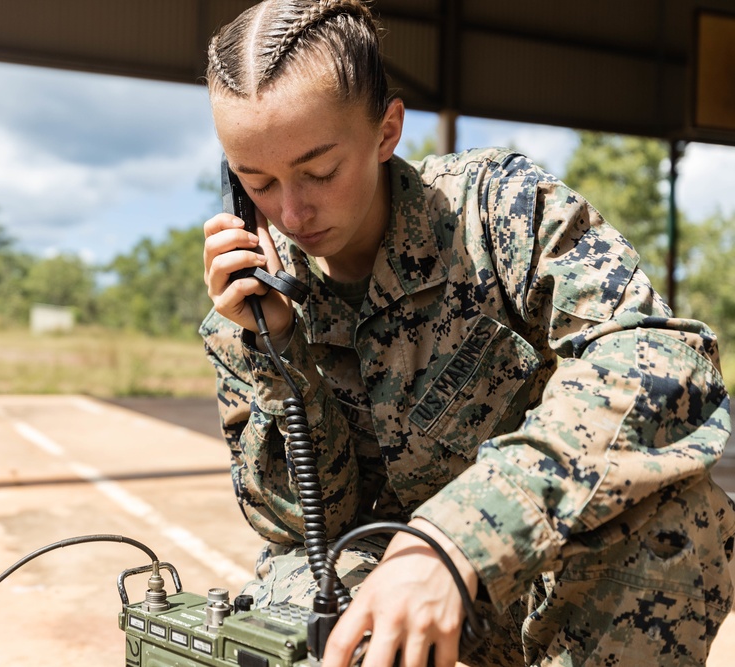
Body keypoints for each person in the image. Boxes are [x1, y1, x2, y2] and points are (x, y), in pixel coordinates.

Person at [198, 1, 735, 666]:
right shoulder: (251, 302)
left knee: (675, 516)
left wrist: (458, 536)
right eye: (257, 182)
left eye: (320, 170)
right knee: (297, 597)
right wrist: (278, 354)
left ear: (387, 129)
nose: (291, 211)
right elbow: (301, 530)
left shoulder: (496, 210)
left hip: (545, 577)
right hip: (399, 603)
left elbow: (660, 362)